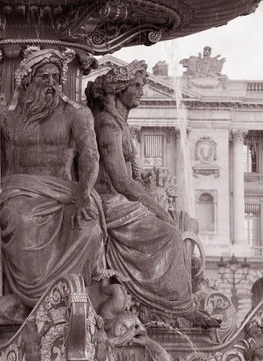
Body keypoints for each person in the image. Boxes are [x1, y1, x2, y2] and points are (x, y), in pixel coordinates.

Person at [85, 60, 220, 327]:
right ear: (119, 89)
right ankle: (181, 309)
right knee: (170, 232)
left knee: (181, 223)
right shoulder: (106, 125)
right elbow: (121, 181)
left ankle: (177, 301)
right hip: (108, 203)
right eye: (136, 85)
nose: (142, 91)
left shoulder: (118, 124)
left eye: (143, 85)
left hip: (119, 200)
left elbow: (132, 176)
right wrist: (157, 210)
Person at [0, 48, 106, 309]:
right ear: (27, 81)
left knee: (90, 230)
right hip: (20, 193)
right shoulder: (7, 117)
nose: (51, 84)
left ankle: (71, 298)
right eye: (44, 77)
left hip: (66, 194)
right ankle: (33, 302)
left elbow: (91, 155)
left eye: (56, 77)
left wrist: (84, 194)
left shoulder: (75, 114)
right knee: (22, 220)